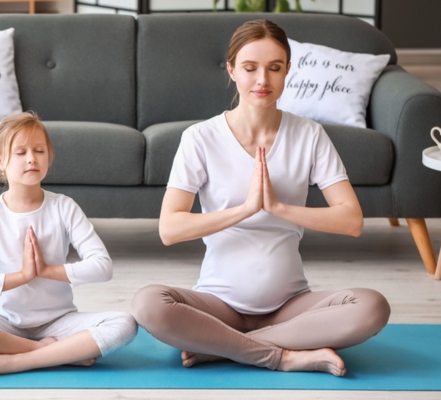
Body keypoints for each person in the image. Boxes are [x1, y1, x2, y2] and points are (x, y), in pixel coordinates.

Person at [131, 19, 390, 377]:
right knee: (148, 304)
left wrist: (279, 208)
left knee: (372, 307)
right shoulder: (200, 138)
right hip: (217, 304)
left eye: (274, 68)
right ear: (232, 70)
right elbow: (170, 229)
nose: (262, 81)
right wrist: (246, 209)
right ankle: (279, 355)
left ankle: (224, 346)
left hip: (290, 305)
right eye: (250, 68)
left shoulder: (310, 135)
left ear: (288, 71)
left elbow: (352, 220)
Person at [0, 111, 137, 377]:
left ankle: (17, 361)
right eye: (20, 152)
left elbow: (103, 267)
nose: (31, 158)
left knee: (124, 324)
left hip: (59, 322)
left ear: (48, 157)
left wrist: (46, 270)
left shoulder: (64, 206)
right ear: (1, 161)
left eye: (39, 150)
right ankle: (59, 354)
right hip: (5, 323)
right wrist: (22, 276)